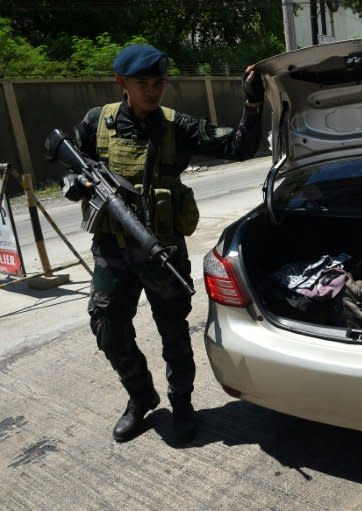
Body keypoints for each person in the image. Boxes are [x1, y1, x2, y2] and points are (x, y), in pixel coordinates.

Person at [60, 43, 263, 444]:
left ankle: (182, 403)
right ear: (121, 82)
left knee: (173, 332)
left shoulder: (176, 126)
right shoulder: (96, 122)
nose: (153, 91)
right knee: (107, 327)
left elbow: (239, 146)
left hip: (162, 250)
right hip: (112, 251)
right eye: (143, 83)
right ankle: (140, 397)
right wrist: (76, 185)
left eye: (159, 82)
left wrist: (252, 105)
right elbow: (69, 165)